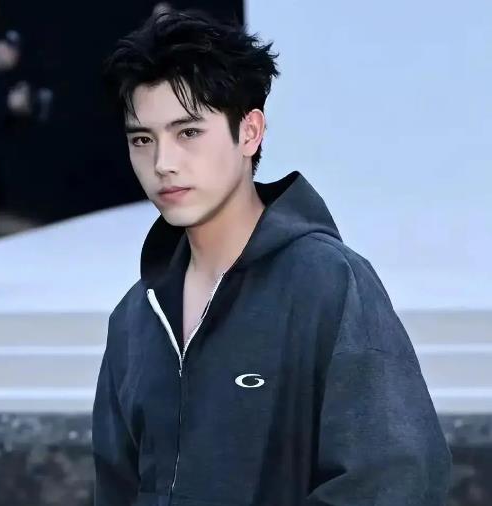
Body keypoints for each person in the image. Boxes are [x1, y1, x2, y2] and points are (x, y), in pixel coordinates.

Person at [92, 9, 452, 506]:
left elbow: (393, 478)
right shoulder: (135, 317)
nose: (163, 163)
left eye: (188, 132)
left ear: (250, 132)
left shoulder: (329, 284)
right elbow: (116, 489)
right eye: (142, 139)